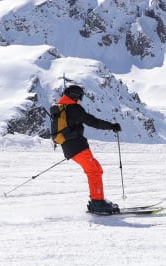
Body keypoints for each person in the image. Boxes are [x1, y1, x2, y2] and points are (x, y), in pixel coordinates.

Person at [50, 83, 122, 213]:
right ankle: (97, 203)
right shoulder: (73, 108)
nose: (81, 100)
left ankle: (97, 200)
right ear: (75, 96)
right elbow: (92, 121)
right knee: (93, 171)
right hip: (77, 146)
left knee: (96, 169)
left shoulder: (63, 108)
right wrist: (111, 126)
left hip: (72, 146)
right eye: (80, 97)